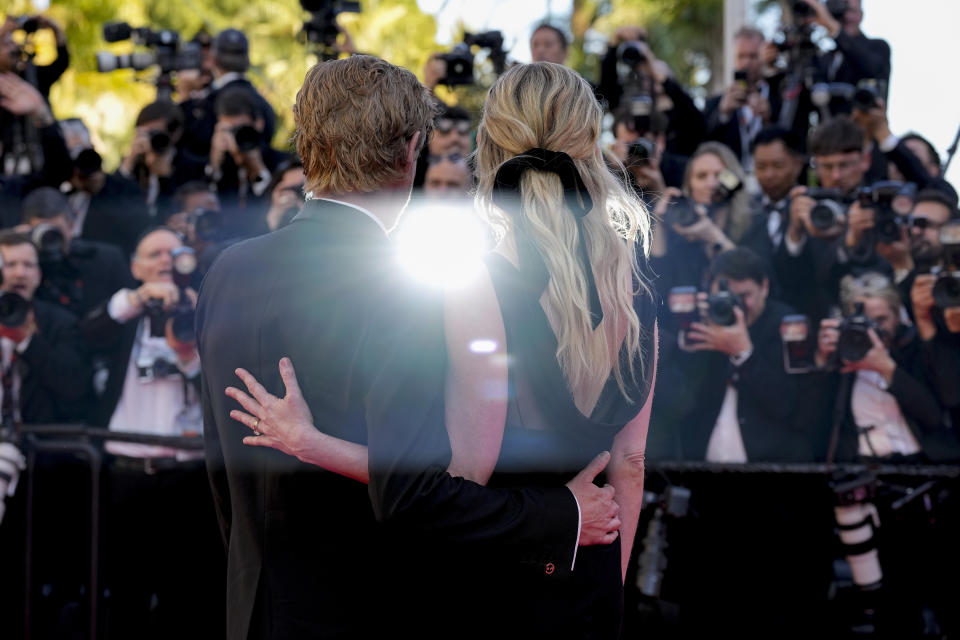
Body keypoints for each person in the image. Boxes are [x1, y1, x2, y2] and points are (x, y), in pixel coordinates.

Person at [198, 56, 634, 639]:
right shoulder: (401, 286)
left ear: (307, 145)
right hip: (375, 611)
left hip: (255, 608)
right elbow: (420, 492)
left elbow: (224, 472)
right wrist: (562, 513)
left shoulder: (227, 271)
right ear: (410, 152)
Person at [78, 226, 221, 638]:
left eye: (172, 252)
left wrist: (188, 354)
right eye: (153, 253)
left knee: (188, 592)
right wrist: (136, 300)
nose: (164, 260)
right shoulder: (124, 312)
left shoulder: (204, 308)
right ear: (135, 267)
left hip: (188, 474)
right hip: (126, 471)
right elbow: (86, 336)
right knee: (126, 591)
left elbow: (220, 392)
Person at [20, 186, 134, 318]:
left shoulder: (107, 260)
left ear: (71, 226)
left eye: (56, 232)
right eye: (42, 232)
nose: (49, 240)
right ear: (26, 230)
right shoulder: (17, 268)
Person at [703, 27, 773, 171]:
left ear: (763, 57)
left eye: (753, 56)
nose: (747, 63)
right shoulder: (716, 104)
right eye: (741, 56)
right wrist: (723, 114)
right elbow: (704, 146)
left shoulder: (780, 98)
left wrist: (768, 118)